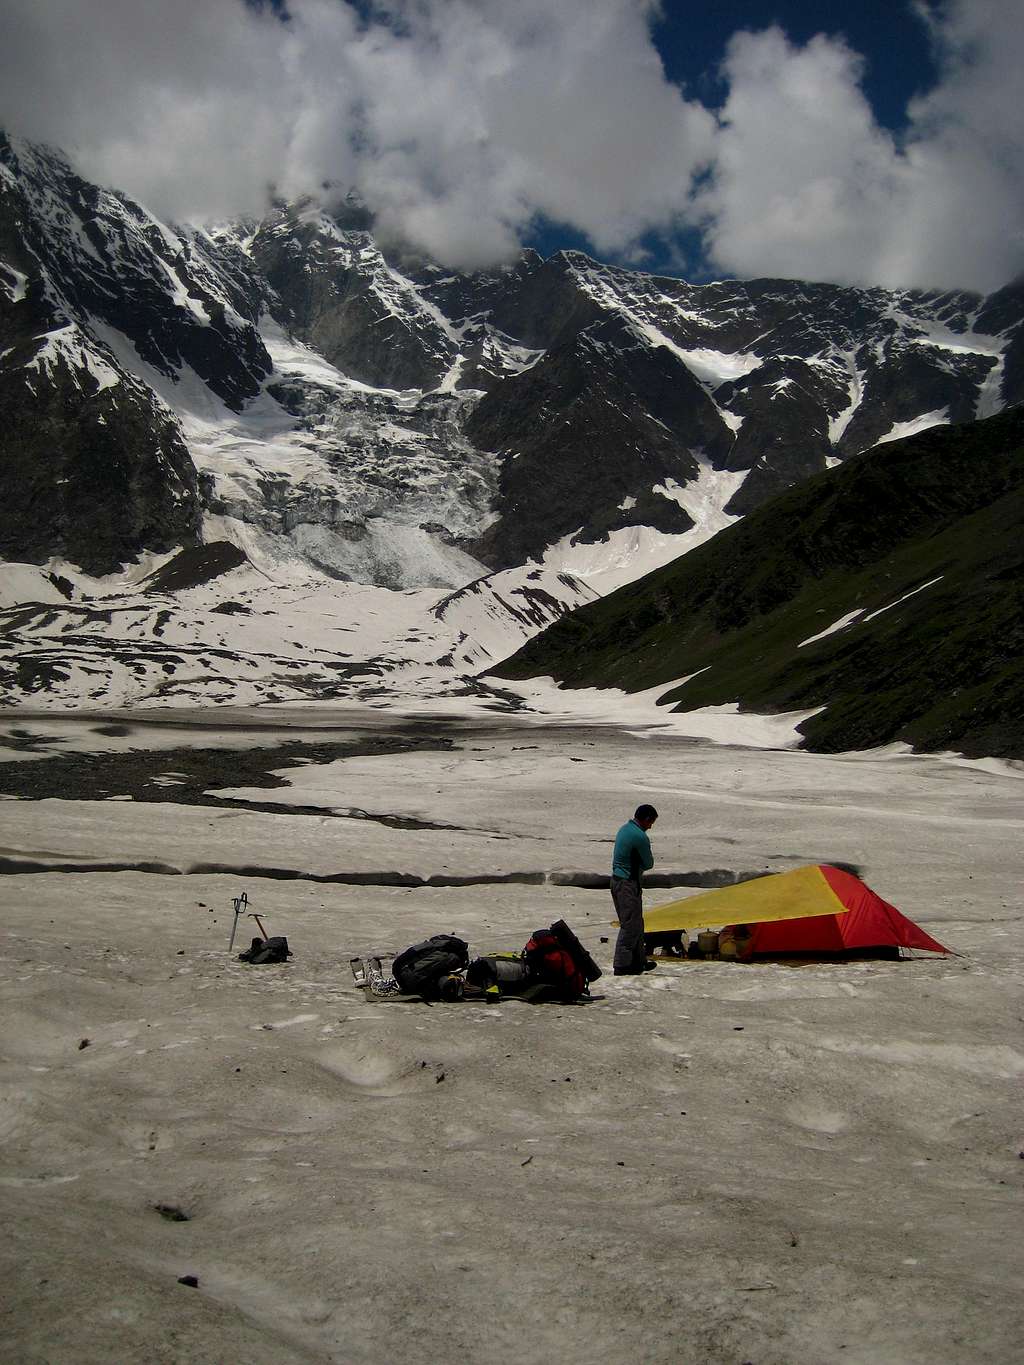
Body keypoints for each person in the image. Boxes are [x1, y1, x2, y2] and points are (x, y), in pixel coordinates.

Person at [610, 804, 659, 975]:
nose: (651, 826)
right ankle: (622, 965)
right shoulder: (640, 836)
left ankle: (638, 961)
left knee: (636, 923)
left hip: (618, 881)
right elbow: (648, 863)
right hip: (628, 884)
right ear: (646, 819)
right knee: (630, 925)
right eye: (651, 822)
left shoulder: (624, 829)